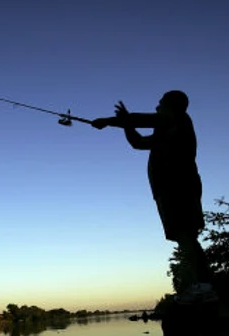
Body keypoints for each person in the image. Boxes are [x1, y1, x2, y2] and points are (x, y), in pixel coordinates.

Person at [91, 90, 217, 304]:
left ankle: (205, 287)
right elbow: (138, 142)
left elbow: (143, 119)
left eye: (160, 103)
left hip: (178, 187)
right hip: (169, 189)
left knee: (185, 235)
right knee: (183, 237)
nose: (157, 106)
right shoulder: (166, 131)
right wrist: (125, 124)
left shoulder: (178, 118)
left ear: (172, 105)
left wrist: (111, 121)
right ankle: (200, 286)